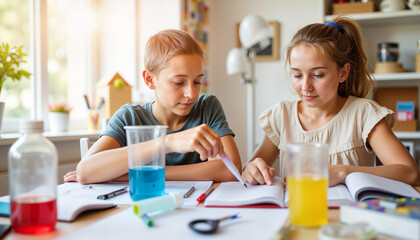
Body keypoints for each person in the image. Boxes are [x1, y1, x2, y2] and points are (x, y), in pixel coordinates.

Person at [242, 16, 420, 187]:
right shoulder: (281, 116)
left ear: (343, 73)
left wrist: (344, 172)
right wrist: (251, 169)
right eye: (297, 75)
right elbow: (249, 169)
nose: (306, 86)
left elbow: (410, 172)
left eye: (318, 75)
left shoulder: (364, 114)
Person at [64, 29, 241, 184]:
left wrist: (135, 174)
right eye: (179, 82)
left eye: (197, 82)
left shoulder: (207, 107)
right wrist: (168, 143)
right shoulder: (129, 117)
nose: (191, 93)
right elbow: (85, 171)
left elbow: (230, 170)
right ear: (150, 79)